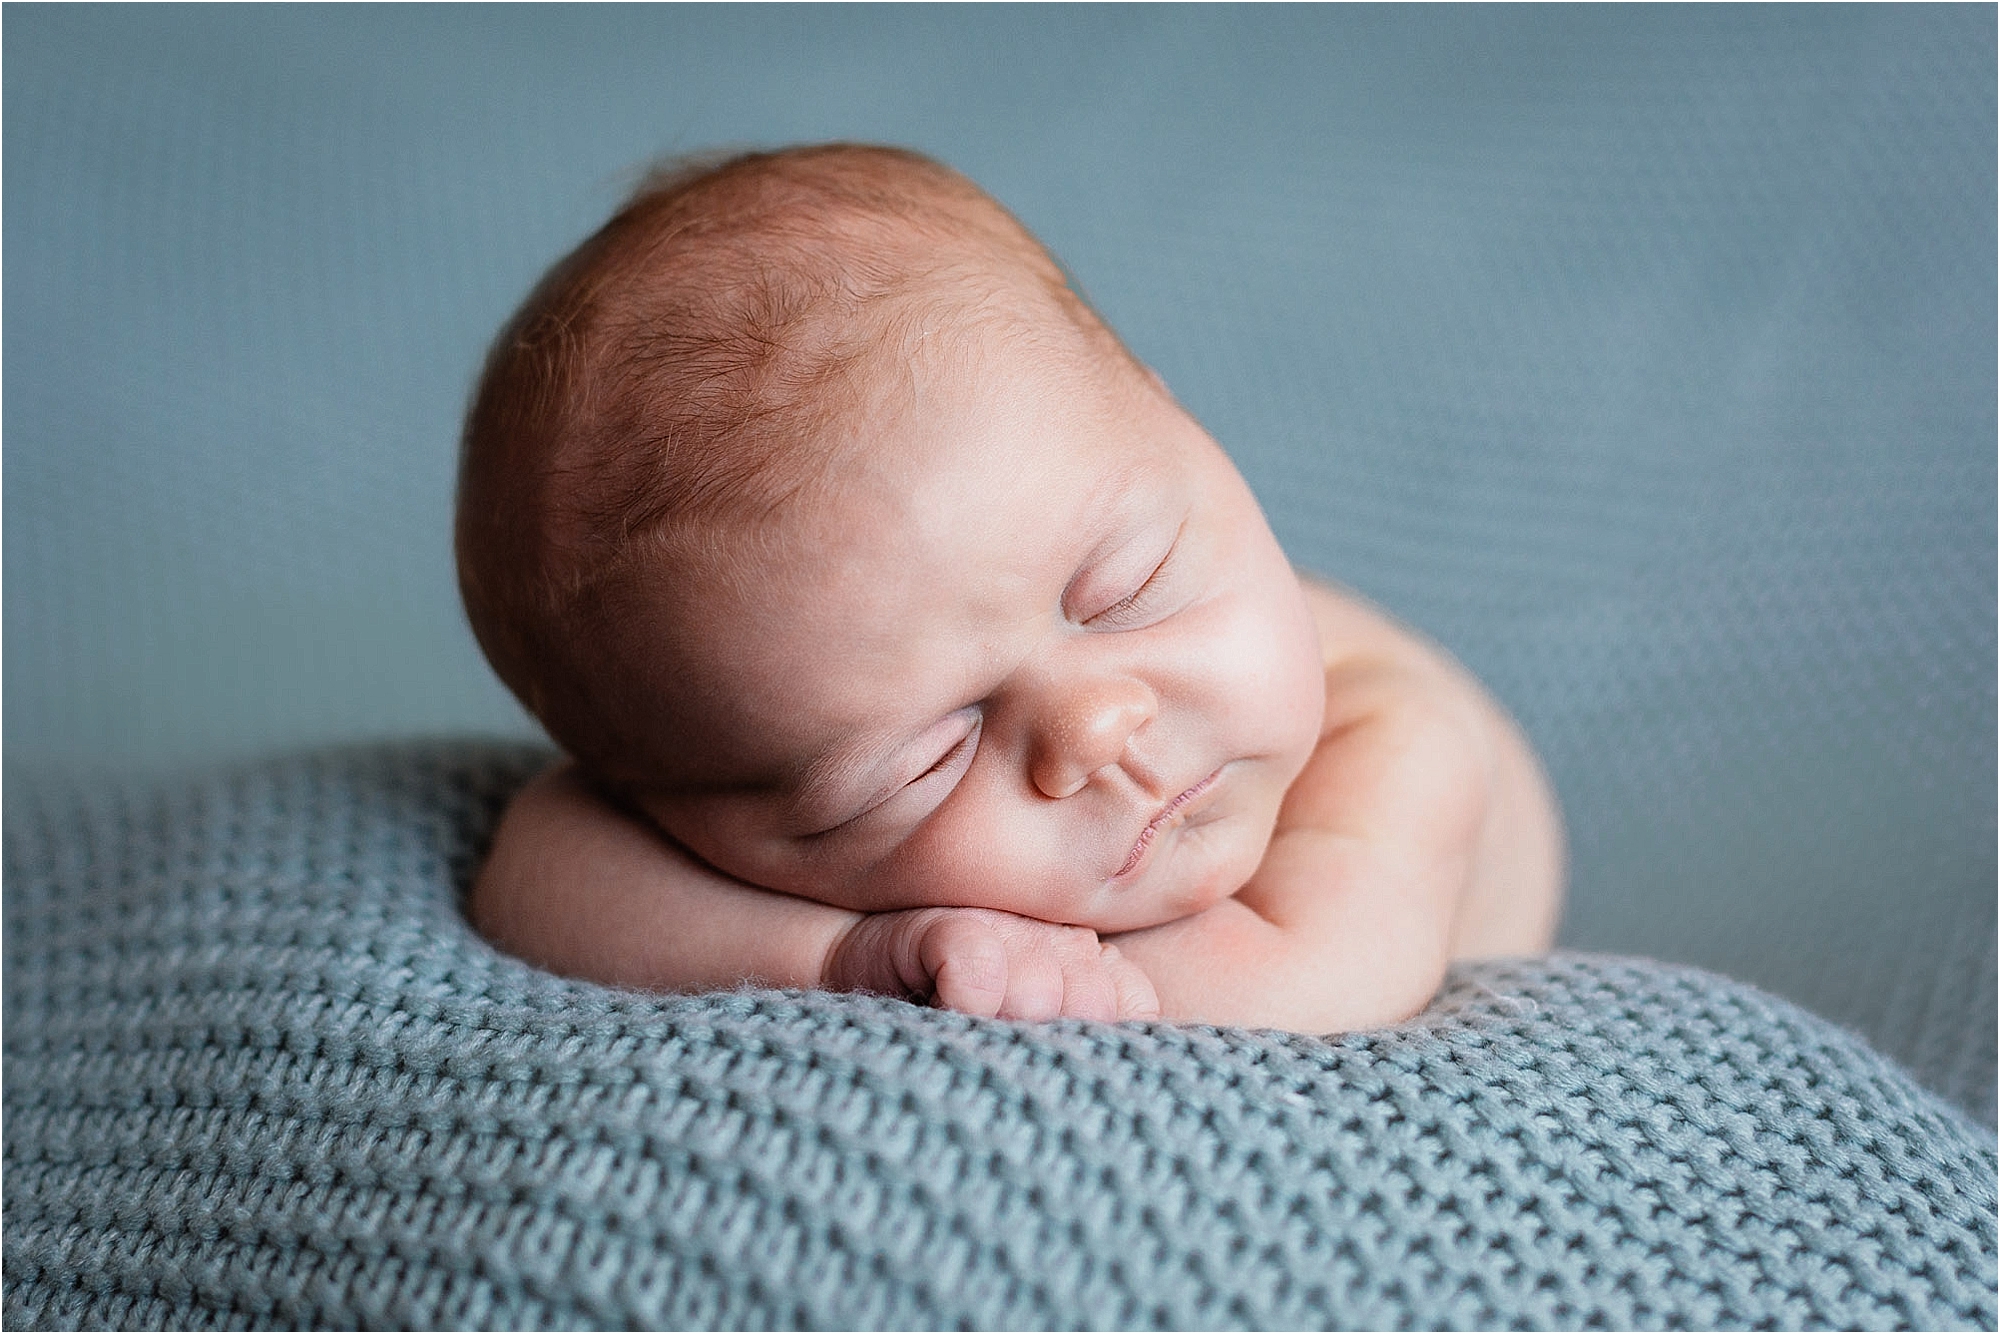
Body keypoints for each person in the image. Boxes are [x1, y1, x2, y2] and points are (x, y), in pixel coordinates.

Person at [456, 143, 1563, 1033]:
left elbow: (1311, 978)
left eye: (1125, 588)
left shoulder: (1395, 740)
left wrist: (1062, 993)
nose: (1093, 727)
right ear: (693, 818)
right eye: (921, 762)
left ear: (1180, 423)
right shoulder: (735, 729)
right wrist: (841, 955)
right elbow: (533, 873)